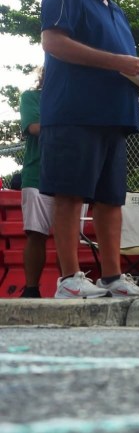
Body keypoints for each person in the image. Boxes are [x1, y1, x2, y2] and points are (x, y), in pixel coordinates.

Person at [39, 0, 139, 299]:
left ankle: (112, 278)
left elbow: (122, 64)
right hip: (75, 111)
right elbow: (53, 41)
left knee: (111, 199)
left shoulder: (117, 11)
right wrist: (121, 62)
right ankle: (69, 279)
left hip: (115, 116)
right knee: (70, 194)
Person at [16, 69, 60, 298]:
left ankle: (69, 284)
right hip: (37, 173)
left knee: (68, 234)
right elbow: (34, 127)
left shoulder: (77, 97)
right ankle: (31, 289)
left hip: (72, 173)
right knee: (35, 233)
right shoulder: (31, 97)